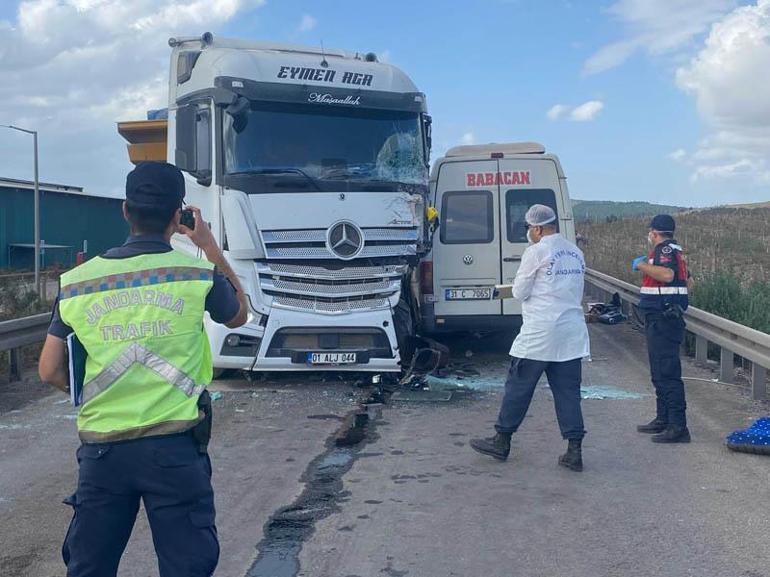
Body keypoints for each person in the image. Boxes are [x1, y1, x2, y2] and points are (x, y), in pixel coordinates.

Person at [38, 161, 248, 577]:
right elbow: (240, 314)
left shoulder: (79, 281)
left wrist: (98, 392)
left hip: (102, 454)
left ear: (124, 211)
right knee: (187, 566)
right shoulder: (195, 274)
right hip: (174, 450)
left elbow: (48, 370)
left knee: (90, 567)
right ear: (178, 216)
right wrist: (208, 245)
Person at [470, 204, 590, 472]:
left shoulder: (536, 252)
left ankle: (502, 441)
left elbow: (521, 291)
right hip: (570, 334)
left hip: (540, 333)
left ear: (537, 228)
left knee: (518, 388)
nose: (529, 233)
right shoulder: (576, 252)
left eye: (529, 228)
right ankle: (574, 450)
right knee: (568, 394)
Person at [632, 214, 691, 443]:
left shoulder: (665, 251)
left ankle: (678, 427)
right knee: (659, 371)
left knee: (667, 372)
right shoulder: (677, 252)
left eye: (650, 233)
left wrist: (642, 265)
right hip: (662, 317)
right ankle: (663, 419)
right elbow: (688, 282)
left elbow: (667, 275)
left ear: (654, 233)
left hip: (664, 318)